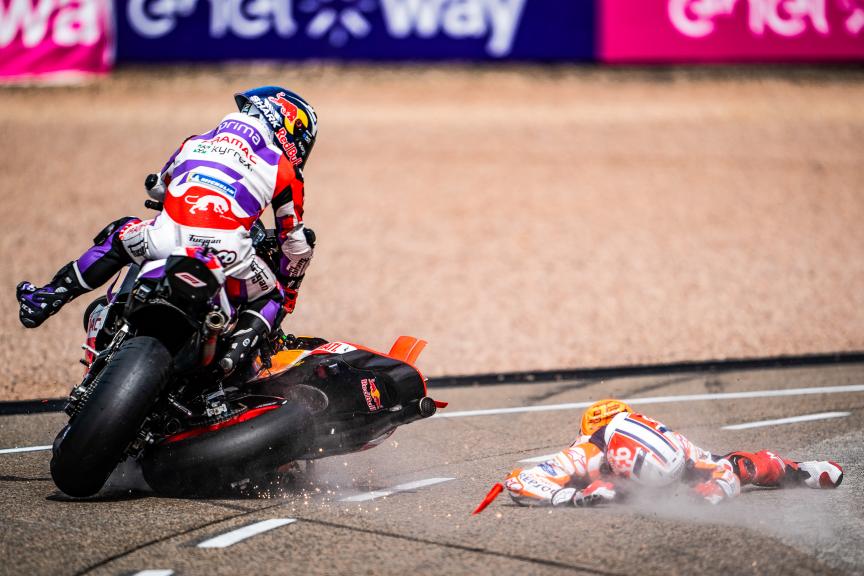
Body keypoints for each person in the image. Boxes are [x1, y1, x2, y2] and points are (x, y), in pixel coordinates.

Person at [16, 86, 318, 376]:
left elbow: (159, 188)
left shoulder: (195, 142)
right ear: (288, 129)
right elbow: (295, 244)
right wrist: (289, 291)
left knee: (121, 232)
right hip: (229, 253)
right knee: (274, 297)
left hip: (163, 240)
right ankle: (230, 360)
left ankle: (48, 296)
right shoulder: (285, 169)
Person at [495, 399, 843, 508]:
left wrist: (569, 496)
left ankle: (609, 492)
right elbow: (723, 465)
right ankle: (801, 471)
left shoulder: (590, 445)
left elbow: (520, 481)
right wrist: (722, 482)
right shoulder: (669, 436)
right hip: (683, 465)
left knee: (601, 486)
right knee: (736, 465)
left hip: (650, 477)